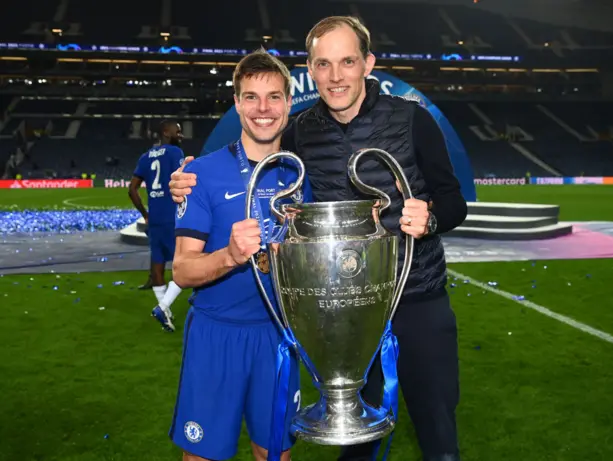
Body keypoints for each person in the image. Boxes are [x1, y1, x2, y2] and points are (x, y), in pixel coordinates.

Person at [169, 16, 468, 461]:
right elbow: (256, 152)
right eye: (323, 64)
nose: (335, 76)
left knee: (438, 433)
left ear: (367, 64)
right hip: (347, 312)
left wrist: (431, 218)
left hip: (417, 298)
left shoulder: (413, 119)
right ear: (311, 69)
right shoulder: (299, 134)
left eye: (346, 62)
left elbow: (453, 200)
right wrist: (184, 181)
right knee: (353, 439)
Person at [169, 49, 313, 461]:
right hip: (217, 335)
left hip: (278, 336)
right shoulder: (203, 174)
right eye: (251, 97)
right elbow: (181, 270)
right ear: (237, 103)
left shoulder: (302, 176)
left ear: (288, 102)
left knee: (277, 455)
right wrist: (229, 256)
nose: (263, 109)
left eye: (273, 97)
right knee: (203, 456)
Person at [129, 120, 185, 332]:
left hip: (156, 220)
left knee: (158, 265)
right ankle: (164, 306)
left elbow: (132, 190)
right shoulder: (174, 153)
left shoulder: (146, 157)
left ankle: (166, 312)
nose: (180, 135)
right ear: (165, 132)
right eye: (177, 131)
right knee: (186, 264)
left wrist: (145, 214)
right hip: (174, 218)